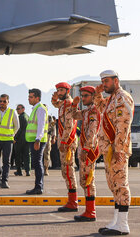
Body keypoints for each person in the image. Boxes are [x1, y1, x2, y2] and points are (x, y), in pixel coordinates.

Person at [94, 70, 134, 235]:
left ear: (116, 81)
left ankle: (123, 225)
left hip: (117, 150)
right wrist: (97, 94)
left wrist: (118, 149)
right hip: (110, 149)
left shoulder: (122, 98)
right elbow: (100, 107)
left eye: (107, 81)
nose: (104, 84)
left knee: (121, 185)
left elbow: (123, 125)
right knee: (114, 186)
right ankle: (116, 221)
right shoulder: (111, 98)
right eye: (103, 81)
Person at [67, 85, 101, 222]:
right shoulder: (87, 111)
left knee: (88, 180)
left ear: (93, 97)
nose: (83, 98)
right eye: (82, 96)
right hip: (84, 149)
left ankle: (90, 211)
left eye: (86, 96)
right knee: (84, 180)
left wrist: (86, 149)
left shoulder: (94, 112)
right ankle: (88, 210)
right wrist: (74, 105)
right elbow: (74, 115)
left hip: (89, 150)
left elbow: (92, 132)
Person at [51, 82, 79, 212]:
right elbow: (55, 104)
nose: (59, 92)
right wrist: (54, 98)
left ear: (68, 91)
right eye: (58, 90)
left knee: (69, 171)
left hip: (67, 142)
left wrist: (63, 142)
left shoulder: (68, 104)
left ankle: (73, 202)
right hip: (64, 141)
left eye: (62, 90)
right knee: (65, 171)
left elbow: (69, 125)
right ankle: (71, 200)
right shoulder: (63, 103)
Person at [0, 94, 19, 188]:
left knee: (7, 161)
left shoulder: (12, 112)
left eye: (4, 101)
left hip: (7, 140)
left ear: (8, 102)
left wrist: (12, 135)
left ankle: (4, 181)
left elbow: (17, 126)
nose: (2, 103)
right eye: (0, 101)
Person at [25, 88, 48, 195]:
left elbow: (41, 126)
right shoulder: (35, 108)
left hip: (37, 140)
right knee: (36, 163)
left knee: (37, 163)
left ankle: (38, 187)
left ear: (37, 98)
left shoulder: (40, 109)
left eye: (31, 97)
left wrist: (37, 139)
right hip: (34, 140)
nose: (29, 99)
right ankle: (38, 186)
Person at [13, 103, 30, 177]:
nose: (17, 110)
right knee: (27, 156)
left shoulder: (20, 117)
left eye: (19, 109)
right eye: (17, 109)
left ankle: (19, 171)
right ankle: (27, 170)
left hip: (20, 140)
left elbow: (18, 129)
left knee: (18, 156)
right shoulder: (27, 116)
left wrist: (15, 138)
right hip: (27, 139)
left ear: (23, 109)